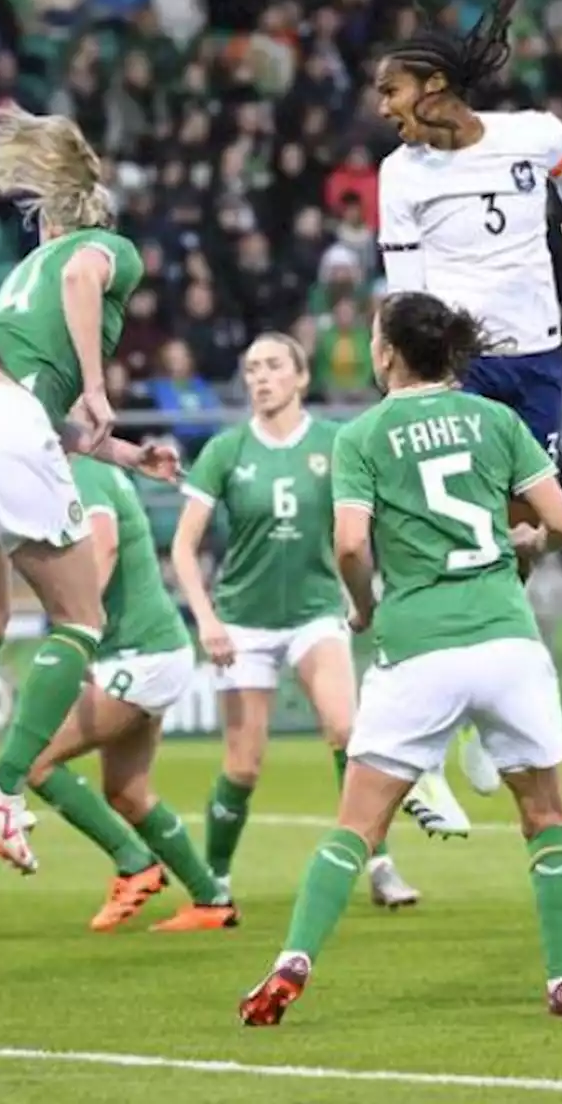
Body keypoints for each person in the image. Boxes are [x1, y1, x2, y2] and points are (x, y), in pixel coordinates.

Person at [240, 293, 562, 1025]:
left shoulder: (362, 435)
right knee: (546, 818)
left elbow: (346, 544)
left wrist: (364, 608)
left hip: (418, 644)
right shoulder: (497, 420)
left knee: (356, 827)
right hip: (505, 639)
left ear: (390, 353)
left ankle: (292, 962)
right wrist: (528, 546)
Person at [0, 104, 177, 875]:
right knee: (80, 620)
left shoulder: (19, 275)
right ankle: (0, 785)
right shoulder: (104, 250)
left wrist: (121, 453)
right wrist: (98, 386)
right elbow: (88, 276)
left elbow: (30, 411)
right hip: (3, 426)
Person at [373, 0, 562, 821]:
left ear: (434, 87)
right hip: (457, 370)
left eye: (390, 89)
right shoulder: (399, 174)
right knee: (448, 527)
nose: (382, 106)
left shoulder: (534, 134)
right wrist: (403, 365)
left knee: (532, 530)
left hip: (536, 361)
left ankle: (476, 703)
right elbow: (405, 294)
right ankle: (430, 716)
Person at [0, 455, 236, 933]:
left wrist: (82, 620)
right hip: (145, 650)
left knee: (36, 761)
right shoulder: (56, 472)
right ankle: (211, 900)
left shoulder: (82, 471)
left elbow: (105, 544)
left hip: (139, 654)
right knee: (128, 793)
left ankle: (135, 864)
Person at [172, 332, 422, 908]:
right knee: (243, 765)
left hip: (315, 611)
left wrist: (370, 600)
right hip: (244, 622)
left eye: (273, 366)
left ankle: (379, 863)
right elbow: (184, 547)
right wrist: (206, 619)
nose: (261, 377)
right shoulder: (226, 450)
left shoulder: (337, 444)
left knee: (348, 732)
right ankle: (216, 882)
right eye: (252, 368)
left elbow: (373, 524)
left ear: (301, 377)